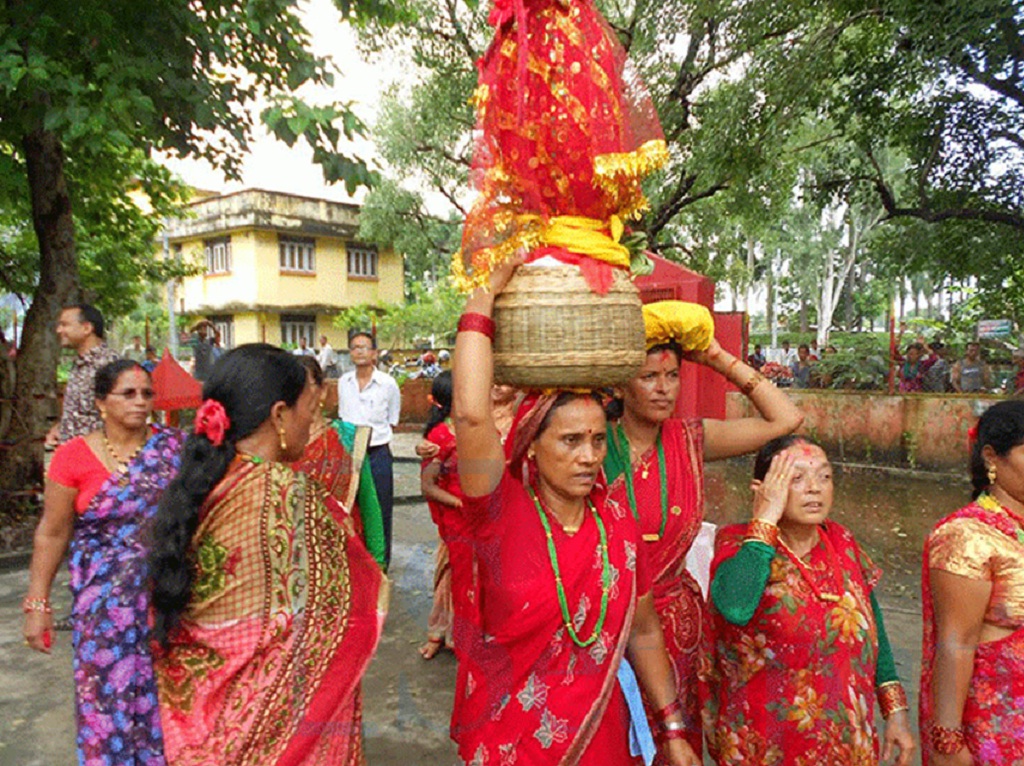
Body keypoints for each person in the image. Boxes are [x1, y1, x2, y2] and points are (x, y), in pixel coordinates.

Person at [447, 268, 700, 766]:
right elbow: (472, 415)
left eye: (598, 440)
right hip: (514, 742)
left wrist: (672, 726)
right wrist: (486, 293)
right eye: (570, 441)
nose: (589, 456)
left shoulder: (617, 525)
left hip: (601, 736)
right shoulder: (499, 510)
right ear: (532, 446)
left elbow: (644, 631)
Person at [148, 344, 385, 766]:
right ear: (278, 415)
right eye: (307, 409)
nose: (312, 421)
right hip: (283, 725)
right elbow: (350, 600)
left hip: (201, 718)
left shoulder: (203, 482)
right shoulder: (289, 495)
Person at [604, 300, 804, 755]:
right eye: (648, 376)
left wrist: (716, 357)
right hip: (605, 628)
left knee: (677, 746)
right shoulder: (592, 441)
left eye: (672, 375)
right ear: (619, 381)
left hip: (677, 633)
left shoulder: (692, 439)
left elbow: (786, 420)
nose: (662, 389)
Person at [704, 435, 915, 765]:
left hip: (848, 742)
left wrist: (895, 711)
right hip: (767, 744)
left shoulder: (843, 543)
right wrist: (765, 521)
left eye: (824, 476)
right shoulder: (738, 544)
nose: (815, 488)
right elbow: (735, 605)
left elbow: (874, 629)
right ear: (762, 488)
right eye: (796, 478)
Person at [23, 359, 185, 765]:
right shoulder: (71, 457)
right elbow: (53, 532)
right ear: (100, 402)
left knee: (167, 705)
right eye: (127, 393)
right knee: (104, 704)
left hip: (165, 601)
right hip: (101, 610)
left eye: (147, 393)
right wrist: (38, 605)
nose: (141, 402)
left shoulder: (175, 449)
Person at [920, 400, 1024, 764]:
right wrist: (948, 742)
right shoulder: (966, 537)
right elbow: (955, 644)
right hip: (998, 727)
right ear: (992, 458)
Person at [291, 354, 387, 569]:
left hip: (348, 558)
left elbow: (368, 502)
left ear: (323, 390)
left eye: (304, 386)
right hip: (294, 564)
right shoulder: (278, 445)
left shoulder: (349, 437)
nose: (296, 395)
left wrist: (378, 564)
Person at [337, 331, 401, 566]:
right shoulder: (344, 383)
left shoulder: (388, 384)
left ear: (374, 353)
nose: (359, 351)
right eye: (354, 347)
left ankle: (381, 566)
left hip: (378, 453)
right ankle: (357, 565)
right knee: (352, 509)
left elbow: (393, 418)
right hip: (351, 455)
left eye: (364, 347)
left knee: (381, 510)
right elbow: (343, 417)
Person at [419, 370, 459, 659]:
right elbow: (428, 487)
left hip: (480, 515)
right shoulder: (439, 437)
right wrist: (460, 504)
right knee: (450, 575)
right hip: (455, 518)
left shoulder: (476, 428)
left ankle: (461, 634)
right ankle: (439, 632)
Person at [47, 303, 121, 447]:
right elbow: (83, 413)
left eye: (65, 324)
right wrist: (60, 428)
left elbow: (119, 415)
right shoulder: (80, 364)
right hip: (73, 457)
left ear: (87, 328)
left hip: (97, 459)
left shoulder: (108, 364)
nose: (59, 330)